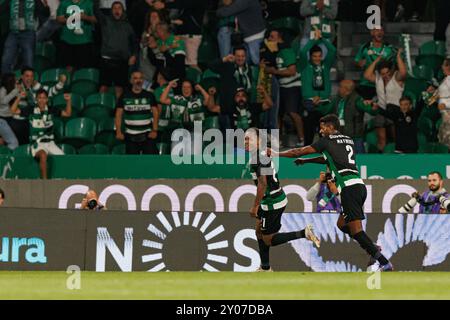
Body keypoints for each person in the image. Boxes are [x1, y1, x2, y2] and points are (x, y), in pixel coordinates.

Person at [269, 114, 394, 271]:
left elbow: (298, 151)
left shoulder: (326, 141)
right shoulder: (348, 140)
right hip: (359, 186)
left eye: (323, 128)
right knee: (342, 224)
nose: (321, 131)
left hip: (349, 188)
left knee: (356, 230)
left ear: (331, 127)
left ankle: (383, 261)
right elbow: (328, 158)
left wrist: (275, 153)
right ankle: (371, 245)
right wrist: (306, 162)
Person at [244, 128, 320, 272]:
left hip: (272, 202)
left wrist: (255, 206)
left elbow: (263, 183)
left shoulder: (258, 157)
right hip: (273, 198)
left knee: (268, 239)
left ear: (259, 141)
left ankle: (303, 233)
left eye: (249, 139)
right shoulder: (261, 155)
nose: (246, 142)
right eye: (245, 139)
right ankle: (265, 268)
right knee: (259, 231)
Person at [11, 89, 71, 179]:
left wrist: (68, 101)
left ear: (47, 99)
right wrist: (19, 97)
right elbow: (13, 111)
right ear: (36, 99)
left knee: (63, 159)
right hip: (37, 144)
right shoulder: (30, 110)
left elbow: (67, 113)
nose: (42, 100)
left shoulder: (51, 110)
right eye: (39, 98)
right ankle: (44, 183)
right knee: (43, 155)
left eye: (44, 98)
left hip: (51, 143)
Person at [265, 29, 304, 146]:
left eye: (272, 37)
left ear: (279, 39)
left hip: (292, 86)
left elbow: (292, 71)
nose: (270, 39)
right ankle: (278, 140)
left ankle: (302, 139)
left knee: (292, 112)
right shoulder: (276, 52)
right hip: (282, 87)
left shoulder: (287, 51)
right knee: (278, 114)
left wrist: (274, 71)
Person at [364, 49, 407, 152]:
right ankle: (382, 158)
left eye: (388, 72)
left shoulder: (397, 77)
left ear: (391, 70)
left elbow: (403, 72)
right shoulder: (378, 78)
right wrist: (376, 61)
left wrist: (398, 58)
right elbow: (367, 75)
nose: (386, 75)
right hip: (381, 110)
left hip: (395, 111)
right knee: (381, 140)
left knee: (396, 138)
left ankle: (397, 156)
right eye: (383, 73)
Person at [9, 67, 67, 145]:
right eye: (27, 76)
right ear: (22, 77)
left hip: (31, 120)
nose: (29, 78)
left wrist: (61, 83)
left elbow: (49, 92)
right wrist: (18, 94)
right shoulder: (15, 87)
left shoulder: (36, 86)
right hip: (17, 120)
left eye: (31, 76)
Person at [299, 30, 336, 145]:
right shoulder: (305, 65)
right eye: (314, 56)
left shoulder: (326, 65)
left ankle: (324, 157)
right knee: (309, 134)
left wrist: (322, 39)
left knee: (324, 136)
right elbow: (303, 51)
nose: (317, 58)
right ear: (310, 57)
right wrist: (314, 40)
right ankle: (306, 155)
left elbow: (332, 50)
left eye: (319, 56)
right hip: (310, 103)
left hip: (324, 104)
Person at [96, 1, 138, 100]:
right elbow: (96, 11)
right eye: (114, 8)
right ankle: (99, 108)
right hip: (107, 60)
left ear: (123, 11)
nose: (117, 10)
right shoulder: (105, 21)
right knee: (103, 86)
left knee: (119, 88)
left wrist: (134, 55)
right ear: (111, 11)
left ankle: (118, 110)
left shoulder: (128, 26)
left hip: (122, 61)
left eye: (119, 8)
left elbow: (135, 42)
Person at [208, 47, 253, 131]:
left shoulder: (249, 70)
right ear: (234, 56)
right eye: (238, 56)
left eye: (242, 56)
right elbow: (210, 66)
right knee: (228, 140)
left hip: (243, 112)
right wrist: (224, 59)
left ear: (246, 57)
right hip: (227, 110)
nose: (240, 58)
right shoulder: (227, 66)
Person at [115, 71, 159, 155]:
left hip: (147, 135)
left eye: (140, 78)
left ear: (143, 80)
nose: (138, 80)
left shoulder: (149, 95)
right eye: (135, 78)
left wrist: (154, 130)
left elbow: (156, 113)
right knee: (132, 164)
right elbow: (118, 115)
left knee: (150, 162)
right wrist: (118, 132)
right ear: (131, 81)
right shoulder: (124, 96)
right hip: (130, 136)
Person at [1, 0, 49, 74]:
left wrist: (46, 7)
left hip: (28, 33)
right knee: (6, 60)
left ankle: (27, 84)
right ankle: (6, 83)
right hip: (13, 32)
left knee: (28, 61)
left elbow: (44, 13)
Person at [331, 80, 379, 153]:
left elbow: (367, 108)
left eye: (341, 87)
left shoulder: (357, 99)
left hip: (355, 136)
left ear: (347, 89)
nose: (338, 89)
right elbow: (326, 109)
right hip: (340, 135)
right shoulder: (337, 99)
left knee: (360, 158)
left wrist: (373, 109)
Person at [158, 0, 207, 70]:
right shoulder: (185, 8)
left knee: (192, 64)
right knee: (183, 64)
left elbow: (183, 3)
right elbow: (182, 21)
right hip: (182, 36)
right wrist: (169, 21)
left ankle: (200, 79)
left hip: (191, 36)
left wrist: (164, 5)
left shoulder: (193, 2)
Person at [216, 0, 266, 65]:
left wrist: (223, 4)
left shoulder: (243, 1)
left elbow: (223, 13)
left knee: (256, 62)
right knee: (224, 31)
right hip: (249, 36)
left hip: (254, 37)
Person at [354, 26, 395, 100]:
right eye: (377, 30)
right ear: (371, 32)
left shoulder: (389, 49)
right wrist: (359, 63)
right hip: (367, 84)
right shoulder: (365, 47)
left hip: (384, 83)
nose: (380, 32)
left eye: (382, 30)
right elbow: (356, 61)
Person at [56, 0, 97, 71]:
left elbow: (96, 19)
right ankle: (69, 81)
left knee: (83, 68)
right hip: (67, 39)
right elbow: (59, 19)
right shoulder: (64, 3)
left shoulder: (89, 3)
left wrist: (85, 17)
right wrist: (72, 18)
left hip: (84, 40)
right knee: (68, 68)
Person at [0, 73, 20, 150]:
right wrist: (15, 91)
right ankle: (6, 160)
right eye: (15, 80)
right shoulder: (2, 89)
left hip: (7, 119)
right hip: (1, 120)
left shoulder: (10, 90)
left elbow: (7, 108)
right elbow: (3, 102)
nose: (17, 81)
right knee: (13, 143)